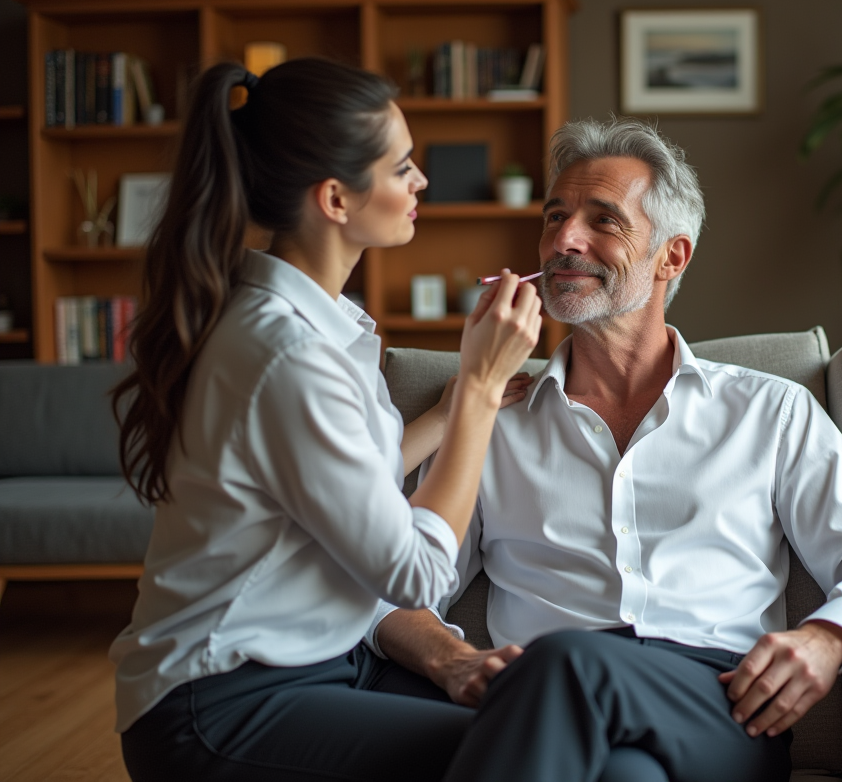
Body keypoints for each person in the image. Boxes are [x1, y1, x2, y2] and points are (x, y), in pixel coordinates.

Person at [373, 117, 842, 782]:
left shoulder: (771, 412)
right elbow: (392, 584)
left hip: (718, 705)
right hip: (538, 705)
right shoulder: (491, 421)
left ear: (671, 257)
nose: (564, 240)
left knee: (566, 660)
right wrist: (451, 656)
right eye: (554, 217)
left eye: (603, 220)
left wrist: (829, 635)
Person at [108, 57, 543, 782]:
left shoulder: (311, 326)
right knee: (524, 749)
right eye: (401, 167)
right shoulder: (289, 354)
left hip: (319, 663)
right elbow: (415, 573)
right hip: (217, 702)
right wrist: (477, 390)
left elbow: (339, 485)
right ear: (336, 199)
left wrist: (450, 412)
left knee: (535, 715)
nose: (421, 181)